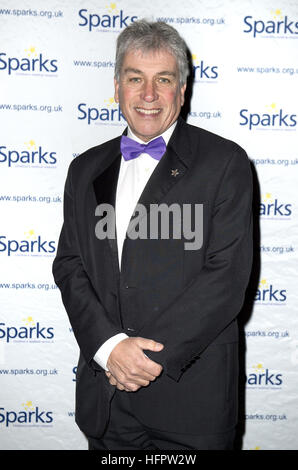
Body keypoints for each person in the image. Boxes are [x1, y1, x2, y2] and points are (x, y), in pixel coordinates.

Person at [52, 20, 253, 450]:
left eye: (163, 80)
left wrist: (140, 361)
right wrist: (108, 348)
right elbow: (71, 264)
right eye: (135, 79)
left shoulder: (225, 164)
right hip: (107, 396)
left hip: (191, 399)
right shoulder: (85, 170)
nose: (148, 95)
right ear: (117, 86)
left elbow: (226, 279)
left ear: (182, 90)